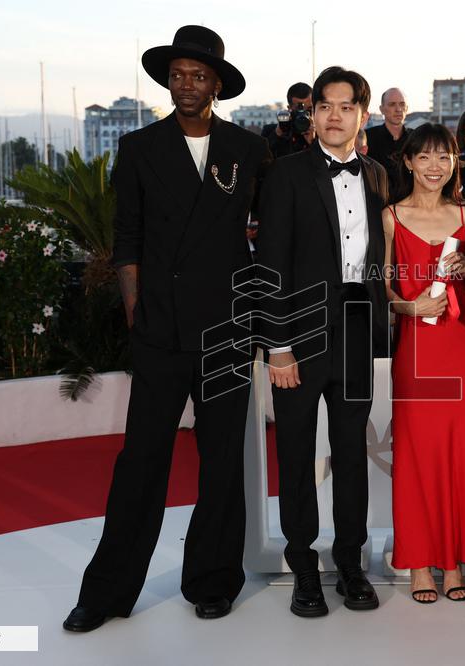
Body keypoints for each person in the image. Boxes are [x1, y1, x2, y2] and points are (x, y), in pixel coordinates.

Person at [63, 25, 271, 632]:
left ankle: (212, 580)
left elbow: (273, 226)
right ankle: (106, 592)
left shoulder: (247, 149)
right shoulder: (138, 147)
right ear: (168, 80)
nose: (186, 84)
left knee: (222, 461)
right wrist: (137, 313)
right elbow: (127, 241)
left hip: (227, 328)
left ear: (216, 85)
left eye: (198, 76)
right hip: (159, 330)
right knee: (141, 462)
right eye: (178, 74)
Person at [256, 66, 390, 619]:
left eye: (345, 106)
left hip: (359, 328)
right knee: (294, 454)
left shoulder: (381, 175)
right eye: (324, 106)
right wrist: (278, 346)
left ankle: (351, 564)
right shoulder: (286, 174)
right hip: (299, 332)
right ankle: (303, 567)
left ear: (363, 114)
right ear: (312, 115)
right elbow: (269, 263)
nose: (334, 116)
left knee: (352, 454)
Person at [381, 123, 465, 604]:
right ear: (408, 162)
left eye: (445, 157)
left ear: (455, 162)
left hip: (464, 344)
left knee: (463, 449)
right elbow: (384, 286)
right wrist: (409, 307)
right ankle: (418, 563)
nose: (435, 167)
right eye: (425, 158)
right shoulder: (391, 217)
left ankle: (453, 560)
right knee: (418, 451)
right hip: (417, 345)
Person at [366, 88, 411, 194]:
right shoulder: (368, 138)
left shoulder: (416, 139)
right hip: (377, 203)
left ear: (407, 108)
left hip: (411, 204)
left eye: (402, 104)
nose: (398, 109)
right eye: (392, 104)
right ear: (381, 109)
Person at [262, 82, 315, 158]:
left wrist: (313, 142)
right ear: (289, 108)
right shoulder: (270, 130)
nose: (303, 114)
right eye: (299, 109)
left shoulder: (323, 134)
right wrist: (277, 134)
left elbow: (328, 166)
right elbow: (260, 160)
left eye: (309, 110)